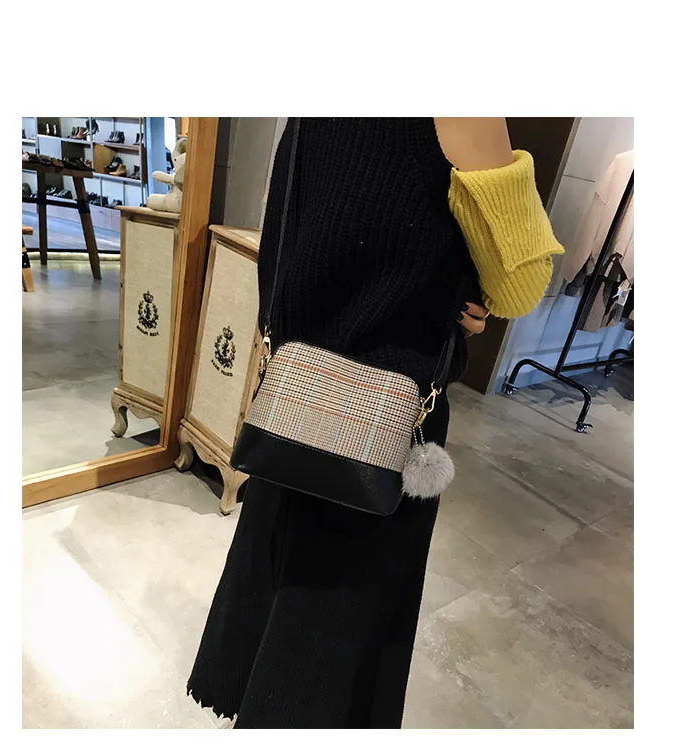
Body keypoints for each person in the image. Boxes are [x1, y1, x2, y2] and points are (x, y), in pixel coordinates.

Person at [187, 117, 563, 728]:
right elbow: (521, 283)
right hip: (384, 426)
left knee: (277, 614)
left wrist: (447, 286)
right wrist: (467, 292)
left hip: (296, 401)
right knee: (333, 653)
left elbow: (304, 244)